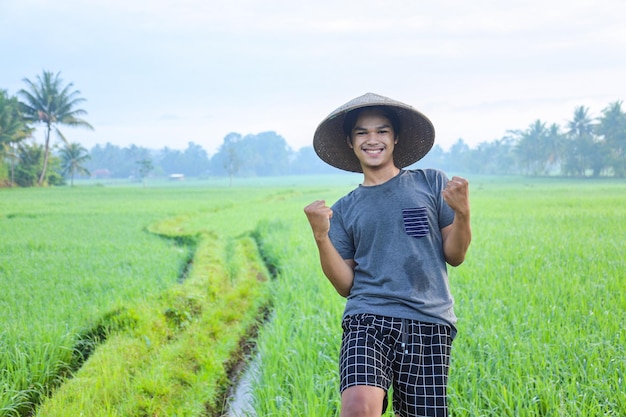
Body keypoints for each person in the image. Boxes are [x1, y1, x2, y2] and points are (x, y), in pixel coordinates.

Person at [304, 92, 471, 417]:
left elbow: (455, 255)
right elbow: (345, 285)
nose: (372, 139)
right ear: (350, 143)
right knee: (358, 408)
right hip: (368, 319)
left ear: (395, 137)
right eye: (362, 133)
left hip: (429, 322)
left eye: (381, 131)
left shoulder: (430, 183)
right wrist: (321, 237)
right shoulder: (345, 209)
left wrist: (463, 214)